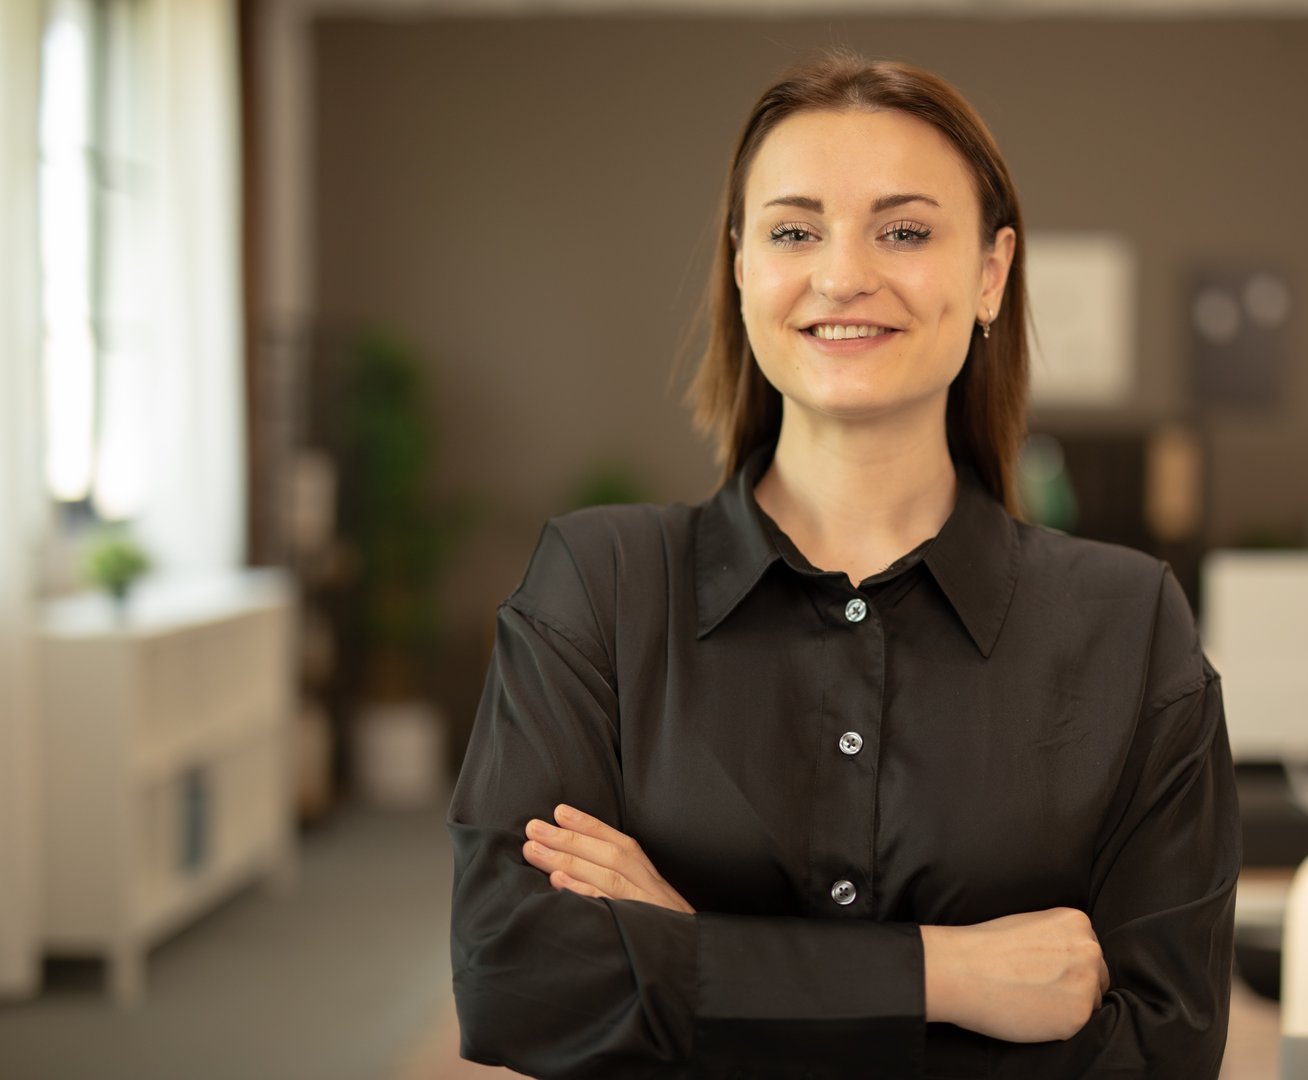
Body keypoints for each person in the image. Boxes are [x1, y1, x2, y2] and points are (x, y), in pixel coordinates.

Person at [447, 49, 1239, 1079]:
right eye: (793, 230)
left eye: (904, 230)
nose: (843, 274)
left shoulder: (1131, 626)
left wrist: (687, 958)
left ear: (990, 274)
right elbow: (518, 978)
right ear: (741, 268)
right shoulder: (598, 588)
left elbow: (1162, 1052)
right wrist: (947, 977)